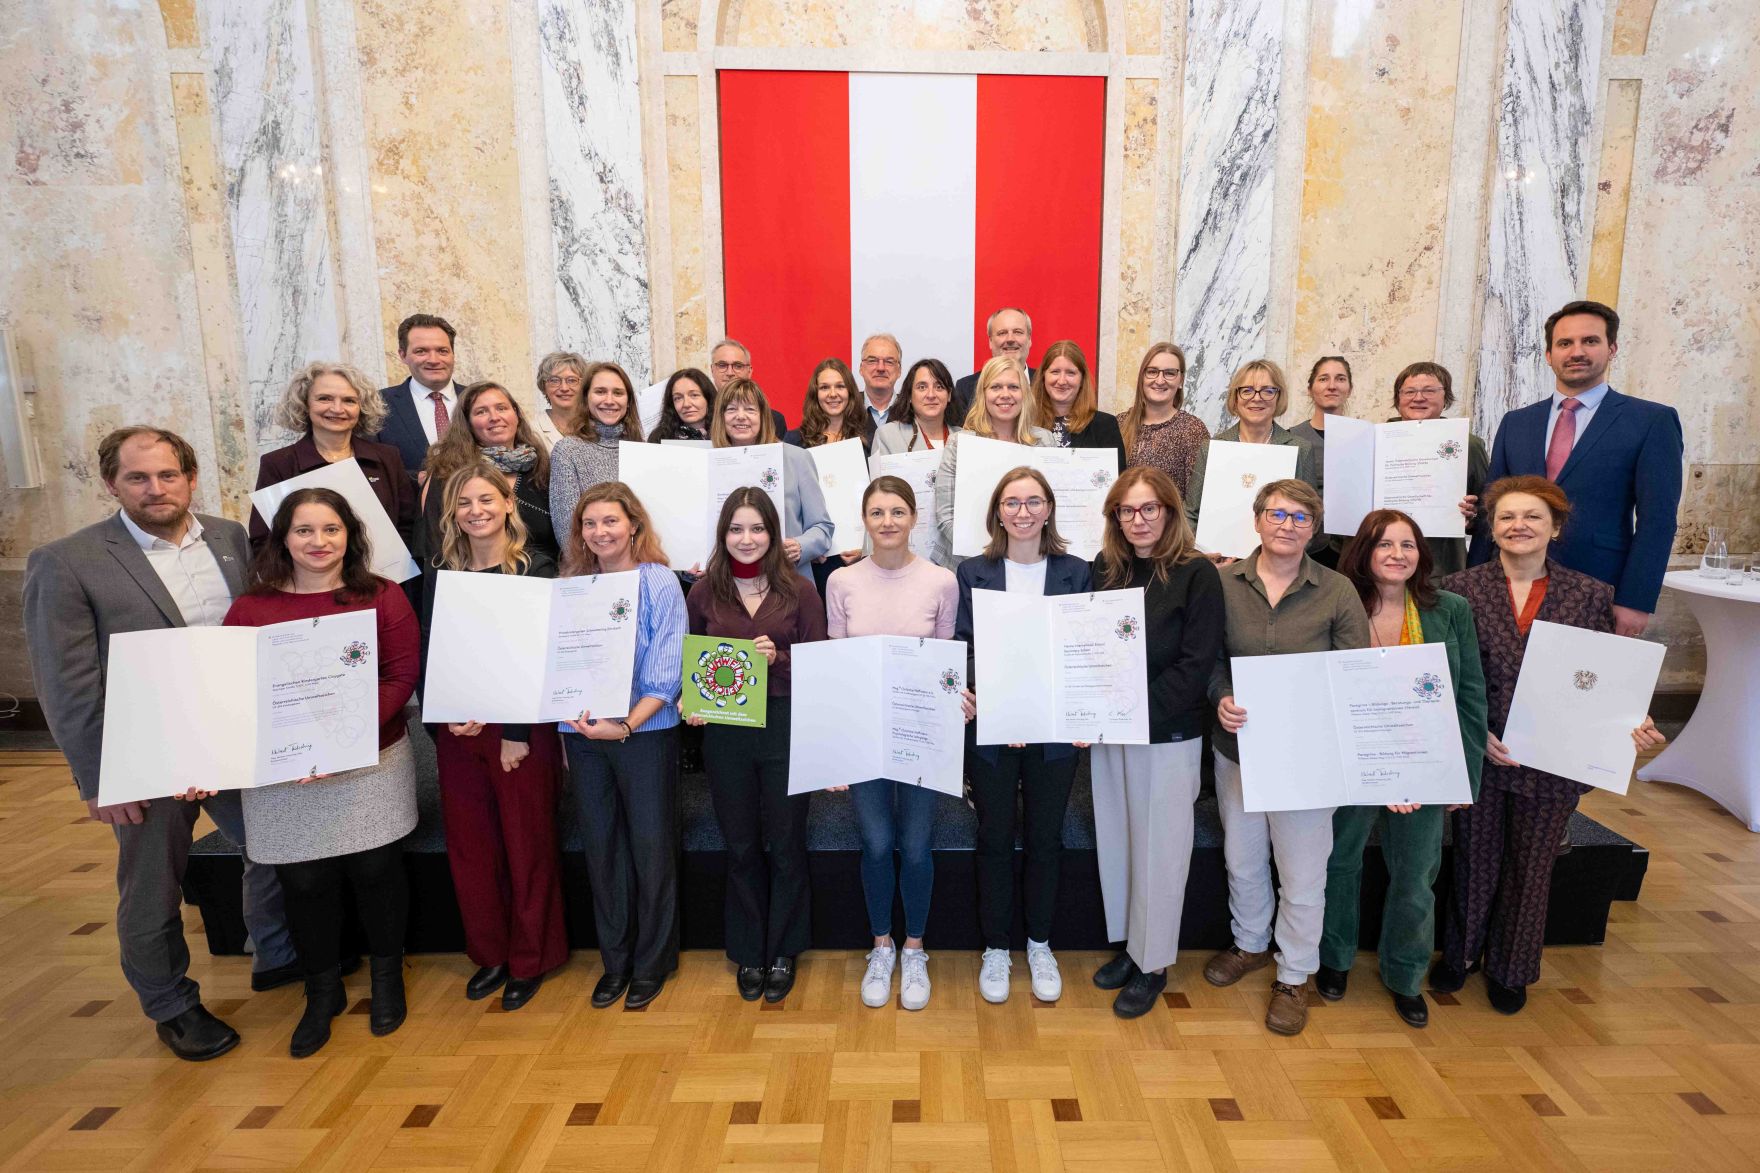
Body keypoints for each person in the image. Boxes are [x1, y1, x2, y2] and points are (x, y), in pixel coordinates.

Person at [22, 427, 299, 1062]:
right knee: (153, 882)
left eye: (168, 475)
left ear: (191, 477)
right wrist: (99, 779)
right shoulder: (67, 562)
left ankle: (275, 953)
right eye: (139, 478)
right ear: (111, 483)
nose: (156, 489)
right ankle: (171, 1004)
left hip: (234, 736)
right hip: (146, 755)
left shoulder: (230, 538)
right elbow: (65, 684)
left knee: (274, 844)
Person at [1435, 476, 1665, 1013]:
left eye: (1533, 517)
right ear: (1490, 529)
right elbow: (1443, 674)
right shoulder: (1459, 590)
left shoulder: (1590, 595)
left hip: (1551, 759)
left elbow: (1605, 678)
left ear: (1555, 528)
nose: (1519, 526)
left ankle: (1511, 970)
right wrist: (1474, 733)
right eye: (1508, 517)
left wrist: (1634, 718)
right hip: (1484, 752)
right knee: (1474, 857)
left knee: (1533, 866)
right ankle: (1460, 955)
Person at [225, 488, 421, 1058]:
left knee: (377, 870)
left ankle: (387, 980)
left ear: (349, 536)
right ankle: (321, 991)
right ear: (283, 537)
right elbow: (236, 689)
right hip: (284, 771)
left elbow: (400, 675)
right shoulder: (250, 609)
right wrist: (299, 746)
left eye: (330, 529)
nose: (319, 542)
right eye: (305, 530)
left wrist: (337, 742)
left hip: (368, 761)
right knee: (303, 882)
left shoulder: (380, 597)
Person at [1207, 479, 1370, 1035]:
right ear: (1256, 520)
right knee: (1242, 857)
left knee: (1302, 873)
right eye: (1277, 514)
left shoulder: (1338, 590)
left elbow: (1356, 671)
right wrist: (1219, 696)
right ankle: (1250, 942)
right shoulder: (1222, 583)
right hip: (1239, 747)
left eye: (1300, 518)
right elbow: (1206, 656)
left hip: (1308, 757)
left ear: (1314, 529)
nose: (1287, 525)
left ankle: (1295, 974)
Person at [1316, 509, 1488, 1028]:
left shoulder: (1450, 609)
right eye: (1385, 544)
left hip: (1425, 766)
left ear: (1422, 553)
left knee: (1415, 877)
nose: (1397, 555)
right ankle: (1335, 959)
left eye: (1408, 545)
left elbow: (1470, 695)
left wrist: (1464, 774)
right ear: (1363, 551)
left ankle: (1405, 974)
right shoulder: (1338, 603)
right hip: (1352, 762)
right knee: (1340, 864)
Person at [419, 461, 567, 1012]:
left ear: (509, 504)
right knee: (472, 850)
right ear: (451, 515)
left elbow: (542, 658)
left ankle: (531, 958)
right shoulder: (441, 571)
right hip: (459, 731)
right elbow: (436, 647)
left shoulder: (538, 569)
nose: (476, 511)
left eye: (486, 500)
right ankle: (492, 953)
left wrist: (514, 730)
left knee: (526, 846)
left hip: (519, 734)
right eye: (464, 504)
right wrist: (445, 717)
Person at [1087, 467, 1224, 1017]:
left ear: (1169, 512)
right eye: (1126, 510)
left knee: (1161, 851)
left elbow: (1196, 665)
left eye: (1148, 509)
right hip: (1108, 731)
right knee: (1119, 839)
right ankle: (1129, 944)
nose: (1137, 520)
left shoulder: (1196, 575)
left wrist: (1132, 712)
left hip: (1167, 733)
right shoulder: (1105, 570)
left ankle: (1155, 962)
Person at [1468, 300, 1683, 637]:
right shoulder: (1517, 423)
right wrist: (1473, 583)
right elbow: (1490, 509)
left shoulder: (1651, 421)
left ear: (1612, 349)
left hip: (1599, 586)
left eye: (1590, 341)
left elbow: (1658, 520)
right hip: (1510, 582)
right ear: (1549, 354)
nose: (1576, 351)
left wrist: (1636, 599)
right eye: (1565, 343)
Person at [952, 468, 1087, 1006]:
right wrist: (983, 698)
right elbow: (962, 645)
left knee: (1046, 838)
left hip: (1055, 733)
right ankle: (996, 947)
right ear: (998, 512)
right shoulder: (973, 572)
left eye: (1033, 502)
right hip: (993, 727)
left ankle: (1039, 942)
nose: (1023, 511)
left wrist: (1086, 711)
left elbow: (1086, 648)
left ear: (1049, 509)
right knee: (993, 835)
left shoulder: (1078, 571)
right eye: (1012, 502)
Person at [685, 489, 826, 1003]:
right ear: (724, 535)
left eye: (757, 529)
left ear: (773, 533)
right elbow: (692, 663)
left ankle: (785, 947)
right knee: (740, 843)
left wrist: (780, 659)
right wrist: (692, 702)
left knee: (787, 842)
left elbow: (822, 667)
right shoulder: (703, 593)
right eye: (736, 529)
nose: (747, 540)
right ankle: (749, 948)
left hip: (785, 726)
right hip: (726, 732)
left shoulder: (801, 592)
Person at [827, 477, 961, 1011]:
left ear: (914, 519)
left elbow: (949, 660)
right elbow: (835, 665)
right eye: (877, 512)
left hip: (922, 733)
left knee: (918, 843)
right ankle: (881, 945)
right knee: (878, 843)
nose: (887, 522)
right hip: (864, 733)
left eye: (898, 512)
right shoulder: (840, 581)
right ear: (864, 518)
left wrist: (960, 699)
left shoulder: (942, 581)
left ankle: (915, 948)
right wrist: (834, 745)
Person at [557, 482, 688, 1009]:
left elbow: (667, 665)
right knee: (602, 850)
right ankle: (616, 962)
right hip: (583, 736)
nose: (599, 532)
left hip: (644, 735)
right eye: (589, 524)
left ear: (633, 524)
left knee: (651, 850)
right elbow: (558, 662)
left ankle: (651, 963)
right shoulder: (572, 584)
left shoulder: (659, 582)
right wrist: (567, 713)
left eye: (610, 521)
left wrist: (627, 725)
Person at [250, 362, 416, 555]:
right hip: (308, 581)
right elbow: (263, 538)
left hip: (382, 580)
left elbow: (408, 525)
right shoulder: (278, 463)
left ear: (362, 408)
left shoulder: (387, 457)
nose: (337, 409)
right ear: (305, 404)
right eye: (325, 399)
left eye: (349, 401)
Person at [1183, 360, 1321, 559]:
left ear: (1278, 396)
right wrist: (1205, 556)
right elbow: (1190, 514)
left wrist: (1286, 555)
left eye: (1267, 391)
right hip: (1218, 563)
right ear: (1235, 397)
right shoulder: (1211, 447)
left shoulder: (1299, 449)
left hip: (1280, 565)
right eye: (1247, 390)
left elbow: (1311, 517)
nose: (1257, 399)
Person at [711, 378, 835, 587]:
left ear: (763, 416)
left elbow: (822, 528)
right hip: (727, 587)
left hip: (788, 581)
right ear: (721, 417)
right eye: (731, 409)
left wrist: (800, 546)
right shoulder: (708, 463)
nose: (740, 417)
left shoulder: (796, 458)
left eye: (750, 409)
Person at [419, 381, 557, 562]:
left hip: (543, 581)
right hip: (474, 583)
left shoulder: (542, 469)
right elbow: (433, 547)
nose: (494, 417)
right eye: (481, 411)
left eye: (501, 408)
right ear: (467, 423)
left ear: (516, 415)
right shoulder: (446, 474)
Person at [934, 356, 1052, 567]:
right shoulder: (959, 444)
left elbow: (1050, 508)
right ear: (983, 394)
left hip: (1027, 562)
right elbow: (945, 516)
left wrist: (1016, 558)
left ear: (1024, 393)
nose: (1005, 394)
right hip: (967, 564)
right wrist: (989, 559)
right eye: (996, 387)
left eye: (1013, 387)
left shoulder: (1044, 442)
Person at [1388, 362, 1490, 576]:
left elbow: (1489, 507)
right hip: (1382, 563)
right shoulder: (1374, 440)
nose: (1418, 398)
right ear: (1398, 399)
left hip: (1440, 565)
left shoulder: (1467, 444)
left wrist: (1471, 515)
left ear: (1446, 398)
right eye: (1409, 391)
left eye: (1429, 391)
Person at [548, 361, 646, 530]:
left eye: (618, 393)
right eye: (600, 392)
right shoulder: (568, 451)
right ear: (586, 398)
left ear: (628, 401)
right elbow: (567, 532)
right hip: (590, 556)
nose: (609, 400)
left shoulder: (642, 449)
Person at [1118, 343, 1210, 497]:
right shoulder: (1119, 423)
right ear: (1142, 377)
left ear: (1180, 380)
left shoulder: (1192, 430)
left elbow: (1196, 502)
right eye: (1152, 372)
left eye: (1169, 373)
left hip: (1173, 521)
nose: (1160, 381)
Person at [375, 313, 460, 479]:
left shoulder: (478, 400)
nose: (434, 360)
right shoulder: (378, 404)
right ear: (402, 355)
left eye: (442, 351)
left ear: (452, 354)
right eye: (421, 351)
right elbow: (373, 471)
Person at [1288, 356, 1354, 567]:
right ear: (1310, 389)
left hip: (1352, 546)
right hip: (1305, 544)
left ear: (1349, 389)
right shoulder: (1291, 439)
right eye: (1324, 379)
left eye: (1340, 379)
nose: (1332, 386)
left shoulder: (1365, 436)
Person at [1030, 340, 1125, 465]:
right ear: (1043, 376)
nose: (1062, 381)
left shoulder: (1104, 425)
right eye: (1055, 372)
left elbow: (1119, 480)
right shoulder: (1025, 423)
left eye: (1070, 373)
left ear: (1082, 379)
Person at [953, 307, 1036, 420]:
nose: (1010, 339)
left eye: (1017, 332)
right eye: (1002, 333)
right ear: (990, 341)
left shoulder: (1046, 383)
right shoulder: (965, 387)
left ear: (1029, 339)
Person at [786, 358, 873, 453]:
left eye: (840, 386)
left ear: (850, 392)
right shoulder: (794, 442)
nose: (833, 394)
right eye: (825, 387)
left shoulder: (868, 441)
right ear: (815, 394)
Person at [706, 339, 788, 432]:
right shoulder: (701, 418)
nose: (730, 373)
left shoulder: (774, 420)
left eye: (738, 366)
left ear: (749, 371)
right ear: (712, 370)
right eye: (722, 365)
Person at [532, 350, 589, 450]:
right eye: (554, 380)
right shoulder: (532, 430)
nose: (564, 388)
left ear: (584, 386)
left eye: (572, 380)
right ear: (544, 387)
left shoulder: (596, 427)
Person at [646, 367, 717, 443]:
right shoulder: (659, 438)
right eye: (678, 398)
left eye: (694, 395)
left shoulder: (725, 434)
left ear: (708, 398)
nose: (686, 404)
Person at [857, 333, 905, 431]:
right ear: (861, 368)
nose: (880, 368)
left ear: (899, 370)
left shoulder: (913, 411)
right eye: (872, 360)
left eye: (889, 362)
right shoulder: (847, 407)